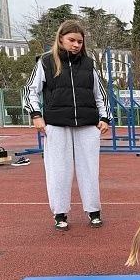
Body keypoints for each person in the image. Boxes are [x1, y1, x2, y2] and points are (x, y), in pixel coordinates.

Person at [23, 20, 111, 231]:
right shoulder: (46, 62)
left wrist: (105, 117)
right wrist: (36, 115)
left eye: (80, 41)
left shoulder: (89, 64)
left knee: (89, 169)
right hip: (56, 124)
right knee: (58, 170)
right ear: (61, 39)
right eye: (72, 40)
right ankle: (60, 213)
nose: (76, 45)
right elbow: (30, 90)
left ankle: (93, 211)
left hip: (87, 125)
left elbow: (100, 94)